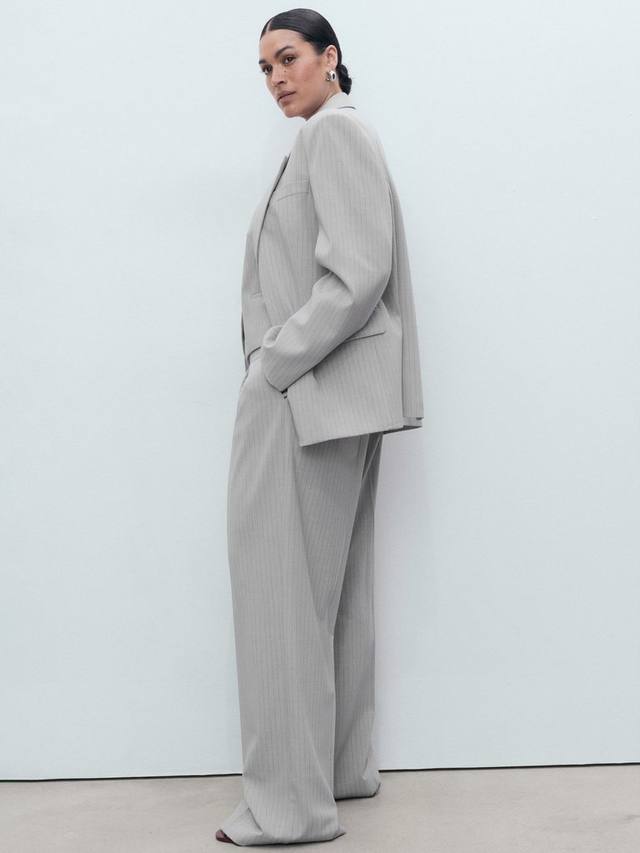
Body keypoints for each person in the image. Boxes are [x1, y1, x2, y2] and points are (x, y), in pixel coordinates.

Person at [217, 9, 424, 846]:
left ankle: (288, 809)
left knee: (280, 599)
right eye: (264, 67)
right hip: (331, 398)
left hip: (305, 394)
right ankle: (337, 773)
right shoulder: (330, 136)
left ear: (331, 57)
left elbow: (358, 272)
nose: (276, 78)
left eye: (289, 58)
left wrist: (273, 362)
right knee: (329, 598)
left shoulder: (334, 135)